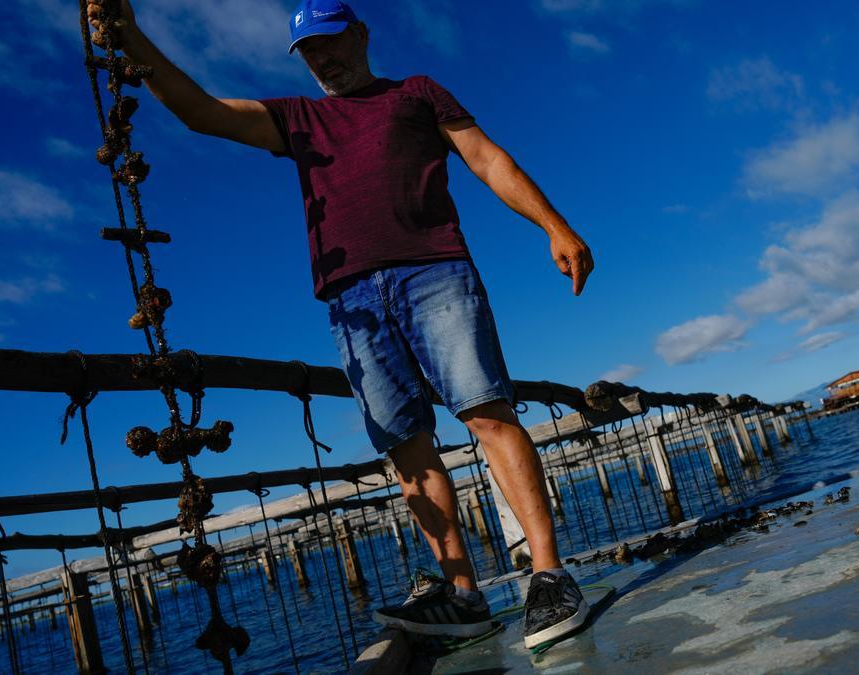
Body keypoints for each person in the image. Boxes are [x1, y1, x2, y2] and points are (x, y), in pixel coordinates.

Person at [88, 0, 595, 649]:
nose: (322, 58)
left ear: (359, 34)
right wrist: (127, 33)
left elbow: (488, 159)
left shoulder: (416, 92)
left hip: (433, 270)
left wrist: (554, 225)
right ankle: (464, 594)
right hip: (349, 299)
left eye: (330, 42)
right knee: (406, 448)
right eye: (309, 51)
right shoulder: (301, 120)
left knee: (488, 413)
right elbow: (201, 112)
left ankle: (550, 576)